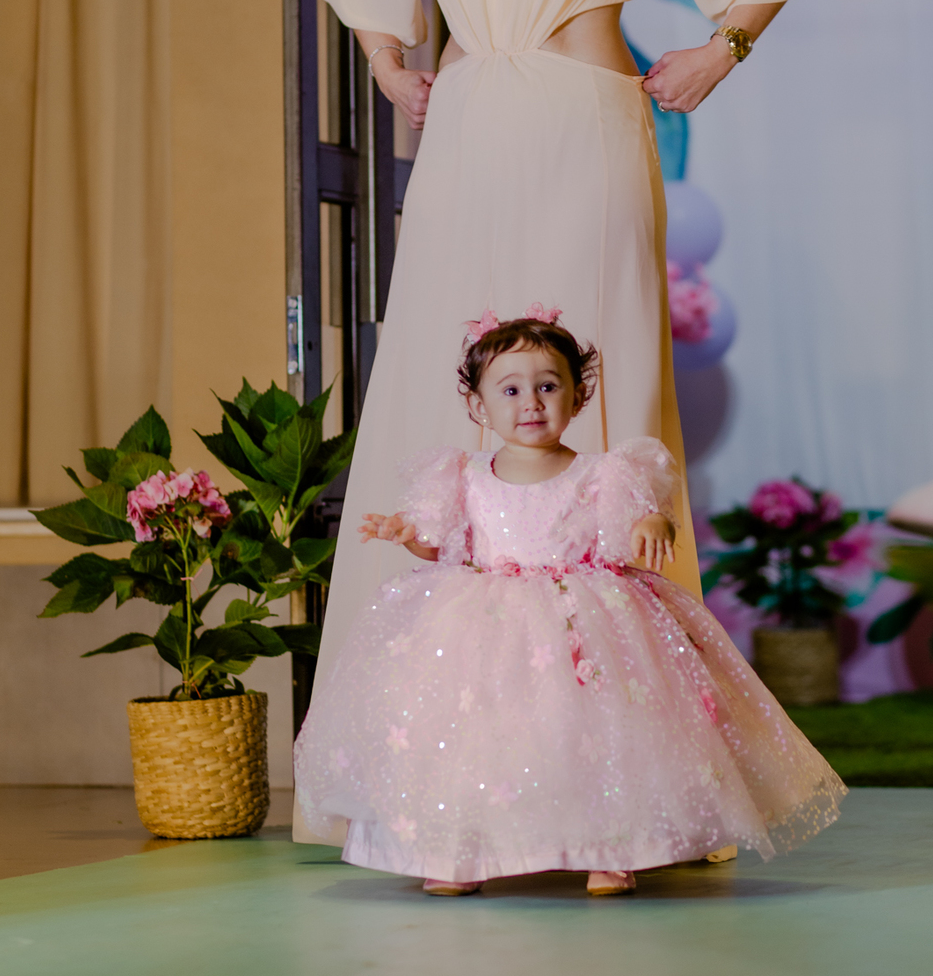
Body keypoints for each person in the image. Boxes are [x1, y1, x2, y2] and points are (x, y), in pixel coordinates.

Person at [314, 0, 836, 681]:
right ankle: (444, 716)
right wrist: (391, 67)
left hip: (586, 137)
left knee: (596, 390)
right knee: (446, 382)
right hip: (467, 135)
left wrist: (723, 49)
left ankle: (615, 713)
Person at [294, 314, 846, 894]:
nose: (531, 402)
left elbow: (633, 521)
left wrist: (652, 520)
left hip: (583, 623)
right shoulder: (463, 475)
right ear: (479, 406)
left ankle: (610, 847)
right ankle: (457, 851)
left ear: (578, 396)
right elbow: (442, 544)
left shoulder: (604, 472)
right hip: (484, 626)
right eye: (510, 390)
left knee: (599, 735)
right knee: (475, 736)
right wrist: (407, 532)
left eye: (548, 386)